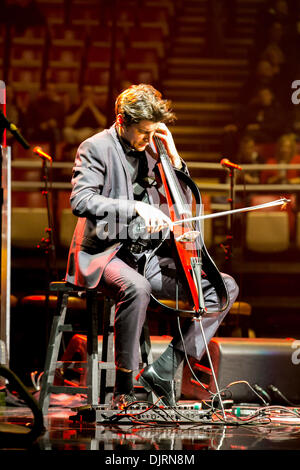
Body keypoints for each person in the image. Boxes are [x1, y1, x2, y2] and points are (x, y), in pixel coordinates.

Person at [65, 84, 239, 409]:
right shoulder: (96, 147)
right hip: (105, 253)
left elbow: (182, 204)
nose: (148, 138)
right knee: (137, 287)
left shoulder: (153, 150)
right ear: (121, 120)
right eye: (143, 132)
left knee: (222, 288)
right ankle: (123, 389)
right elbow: (81, 200)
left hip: (147, 257)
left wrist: (173, 156)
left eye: (152, 132)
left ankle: (165, 368)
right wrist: (134, 208)